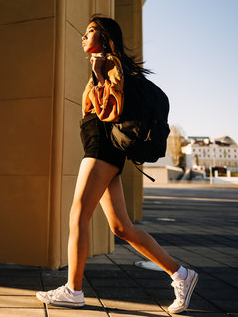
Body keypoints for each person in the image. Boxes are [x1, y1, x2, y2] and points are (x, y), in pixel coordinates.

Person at [36, 16, 198, 314]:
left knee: (78, 216)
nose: (83, 37)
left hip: (101, 150)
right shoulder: (105, 63)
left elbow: (112, 110)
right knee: (121, 227)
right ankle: (181, 275)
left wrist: (99, 77)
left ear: (106, 36)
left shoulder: (110, 64)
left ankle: (73, 290)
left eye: (90, 32)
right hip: (102, 151)